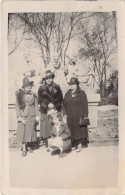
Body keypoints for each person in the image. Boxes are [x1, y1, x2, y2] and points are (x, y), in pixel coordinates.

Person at [63, 77, 89, 152]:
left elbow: (85, 104)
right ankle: (74, 144)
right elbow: (63, 105)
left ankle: (80, 145)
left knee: (79, 130)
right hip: (70, 116)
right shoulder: (67, 94)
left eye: (73, 84)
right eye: (70, 84)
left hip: (79, 115)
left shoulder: (81, 93)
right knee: (72, 130)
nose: (72, 86)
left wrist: (85, 114)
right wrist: (64, 114)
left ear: (77, 85)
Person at [38, 70, 63, 147]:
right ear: (45, 79)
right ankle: (48, 142)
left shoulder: (57, 86)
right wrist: (47, 104)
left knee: (55, 125)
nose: (49, 80)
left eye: (50, 78)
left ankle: (55, 142)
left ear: (52, 78)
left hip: (55, 109)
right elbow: (39, 99)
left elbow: (60, 98)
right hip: (45, 111)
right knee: (47, 126)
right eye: (47, 78)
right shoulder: (41, 88)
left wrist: (54, 104)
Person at [15, 77, 39, 157]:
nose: (29, 87)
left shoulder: (33, 94)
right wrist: (19, 117)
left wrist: (37, 116)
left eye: (29, 85)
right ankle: (24, 148)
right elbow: (17, 106)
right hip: (24, 115)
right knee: (23, 132)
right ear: (24, 87)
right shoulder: (19, 94)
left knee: (30, 131)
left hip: (31, 115)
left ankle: (29, 145)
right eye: (26, 86)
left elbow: (36, 106)